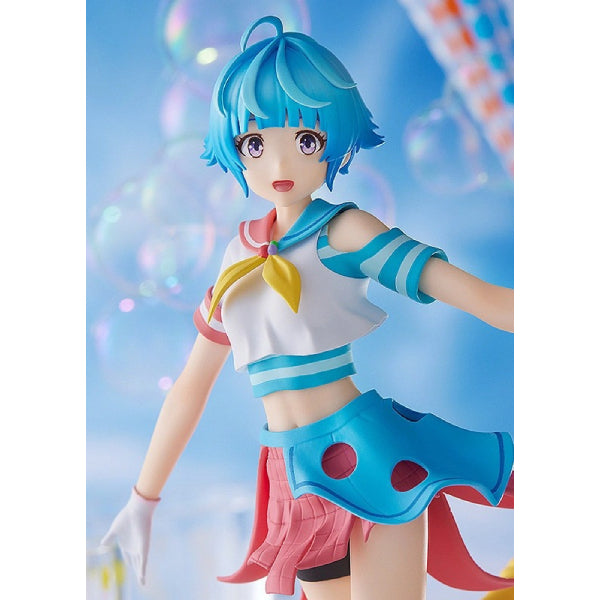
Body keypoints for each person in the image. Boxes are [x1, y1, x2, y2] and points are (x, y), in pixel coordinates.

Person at [101, 15, 514, 600]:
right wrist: (142, 500)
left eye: (305, 140)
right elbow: (190, 388)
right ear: (235, 150)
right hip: (293, 472)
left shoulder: (344, 231)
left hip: (371, 455)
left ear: (332, 143)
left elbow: (479, 297)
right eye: (254, 144)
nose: (279, 167)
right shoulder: (237, 255)